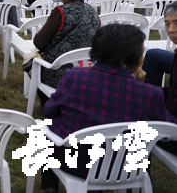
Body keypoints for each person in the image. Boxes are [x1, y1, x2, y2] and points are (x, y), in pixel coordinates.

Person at [40, 24, 175, 192]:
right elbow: (169, 129)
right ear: (132, 58)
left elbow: (49, 110)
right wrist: (140, 86)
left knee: (47, 131)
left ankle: (50, 186)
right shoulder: (150, 94)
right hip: (126, 168)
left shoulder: (74, 77)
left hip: (75, 164)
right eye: (141, 53)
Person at [33, 0, 99, 93]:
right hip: (87, 69)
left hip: (59, 71)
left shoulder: (60, 11)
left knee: (30, 61)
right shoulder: (92, 10)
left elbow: (39, 42)